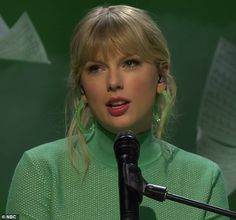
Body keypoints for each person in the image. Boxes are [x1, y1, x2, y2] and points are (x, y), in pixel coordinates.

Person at [6, 5, 229, 220]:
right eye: (96, 68)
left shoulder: (204, 179)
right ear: (82, 87)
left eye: (130, 63)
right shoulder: (40, 170)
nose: (113, 82)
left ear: (161, 77)